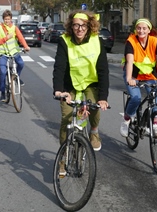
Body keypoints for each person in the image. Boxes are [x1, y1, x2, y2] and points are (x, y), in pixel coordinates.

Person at [53, 9, 110, 152]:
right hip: (70, 84)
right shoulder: (64, 41)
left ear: (89, 26)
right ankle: (63, 157)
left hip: (91, 82)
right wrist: (58, 90)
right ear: (71, 26)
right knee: (67, 119)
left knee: (94, 106)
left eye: (83, 25)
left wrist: (103, 98)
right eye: (76, 25)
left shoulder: (97, 41)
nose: (80, 29)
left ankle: (94, 132)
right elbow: (59, 67)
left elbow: (103, 70)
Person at [120, 18, 157, 137]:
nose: (141, 31)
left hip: (149, 75)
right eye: (138, 28)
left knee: (154, 100)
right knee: (136, 98)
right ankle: (127, 119)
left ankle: (155, 123)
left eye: (144, 28)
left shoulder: (154, 41)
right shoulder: (131, 42)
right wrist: (129, 79)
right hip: (133, 75)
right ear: (135, 30)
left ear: (149, 30)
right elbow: (130, 62)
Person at [0, 9, 30, 102]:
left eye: (8, 19)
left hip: (14, 52)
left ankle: (16, 77)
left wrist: (26, 46)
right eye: (5, 19)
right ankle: (2, 92)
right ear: (3, 19)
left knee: (21, 64)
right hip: (3, 53)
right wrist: (6, 38)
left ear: (11, 19)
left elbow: (20, 38)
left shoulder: (14, 28)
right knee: (2, 72)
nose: (7, 21)